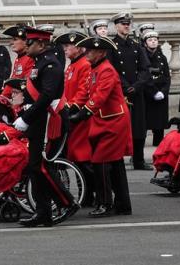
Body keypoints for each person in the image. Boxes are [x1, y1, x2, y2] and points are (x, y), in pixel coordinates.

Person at [12, 27, 78, 227]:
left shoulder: (51, 65)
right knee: (34, 168)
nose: (27, 45)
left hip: (49, 121)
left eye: (29, 42)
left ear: (41, 44)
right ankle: (43, 212)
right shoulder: (39, 63)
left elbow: (47, 96)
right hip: (39, 120)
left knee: (42, 166)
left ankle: (66, 202)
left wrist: (27, 118)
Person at [69, 35, 132, 217]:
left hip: (113, 121)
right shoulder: (94, 69)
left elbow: (99, 97)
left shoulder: (107, 71)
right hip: (104, 119)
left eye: (91, 50)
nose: (87, 53)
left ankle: (106, 203)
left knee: (101, 161)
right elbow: (86, 93)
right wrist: (72, 107)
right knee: (115, 163)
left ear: (101, 53)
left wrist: (82, 114)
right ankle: (122, 203)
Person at [55, 30, 94, 206]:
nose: (65, 48)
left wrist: (72, 106)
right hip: (70, 114)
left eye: (69, 45)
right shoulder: (72, 65)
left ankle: (90, 195)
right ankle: (86, 195)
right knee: (77, 157)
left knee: (83, 158)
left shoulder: (84, 64)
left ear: (80, 49)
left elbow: (84, 91)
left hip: (80, 118)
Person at [108, 12, 151, 170]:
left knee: (139, 127)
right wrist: (126, 86)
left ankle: (138, 159)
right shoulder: (112, 46)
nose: (126, 26)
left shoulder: (136, 46)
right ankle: (117, 159)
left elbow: (144, 68)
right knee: (120, 127)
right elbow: (112, 70)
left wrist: (138, 85)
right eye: (123, 24)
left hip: (136, 91)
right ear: (116, 26)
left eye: (128, 24)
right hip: (121, 92)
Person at [142, 30, 171, 146]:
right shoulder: (142, 57)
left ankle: (158, 144)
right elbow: (143, 76)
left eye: (155, 40)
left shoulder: (162, 57)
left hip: (161, 93)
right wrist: (153, 92)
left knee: (160, 123)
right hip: (148, 93)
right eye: (150, 40)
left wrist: (163, 92)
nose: (153, 42)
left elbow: (167, 77)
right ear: (145, 43)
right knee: (144, 122)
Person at [0, 25, 35, 97]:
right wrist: (2, 97)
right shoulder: (20, 58)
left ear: (26, 42)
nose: (11, 43)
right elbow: (13, 81)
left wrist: (3, 97)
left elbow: (26, 84)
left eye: (15, 39)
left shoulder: (31, 58)